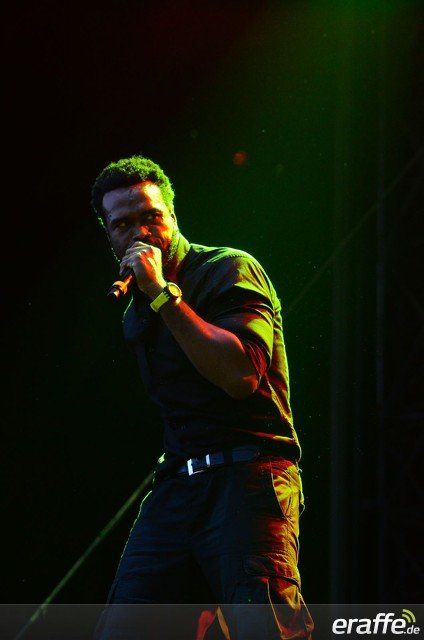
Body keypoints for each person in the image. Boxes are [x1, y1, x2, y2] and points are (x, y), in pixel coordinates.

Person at [91, 155, 314, 639]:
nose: (140, 232)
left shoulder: (227, 268)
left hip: (249, 477)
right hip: (178, 486)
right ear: (109, 236)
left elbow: (240, 375)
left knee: (265, 627)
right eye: (123, 224)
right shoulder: (136, 312)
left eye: (151, 216)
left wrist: (163, 295)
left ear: (173, 216)